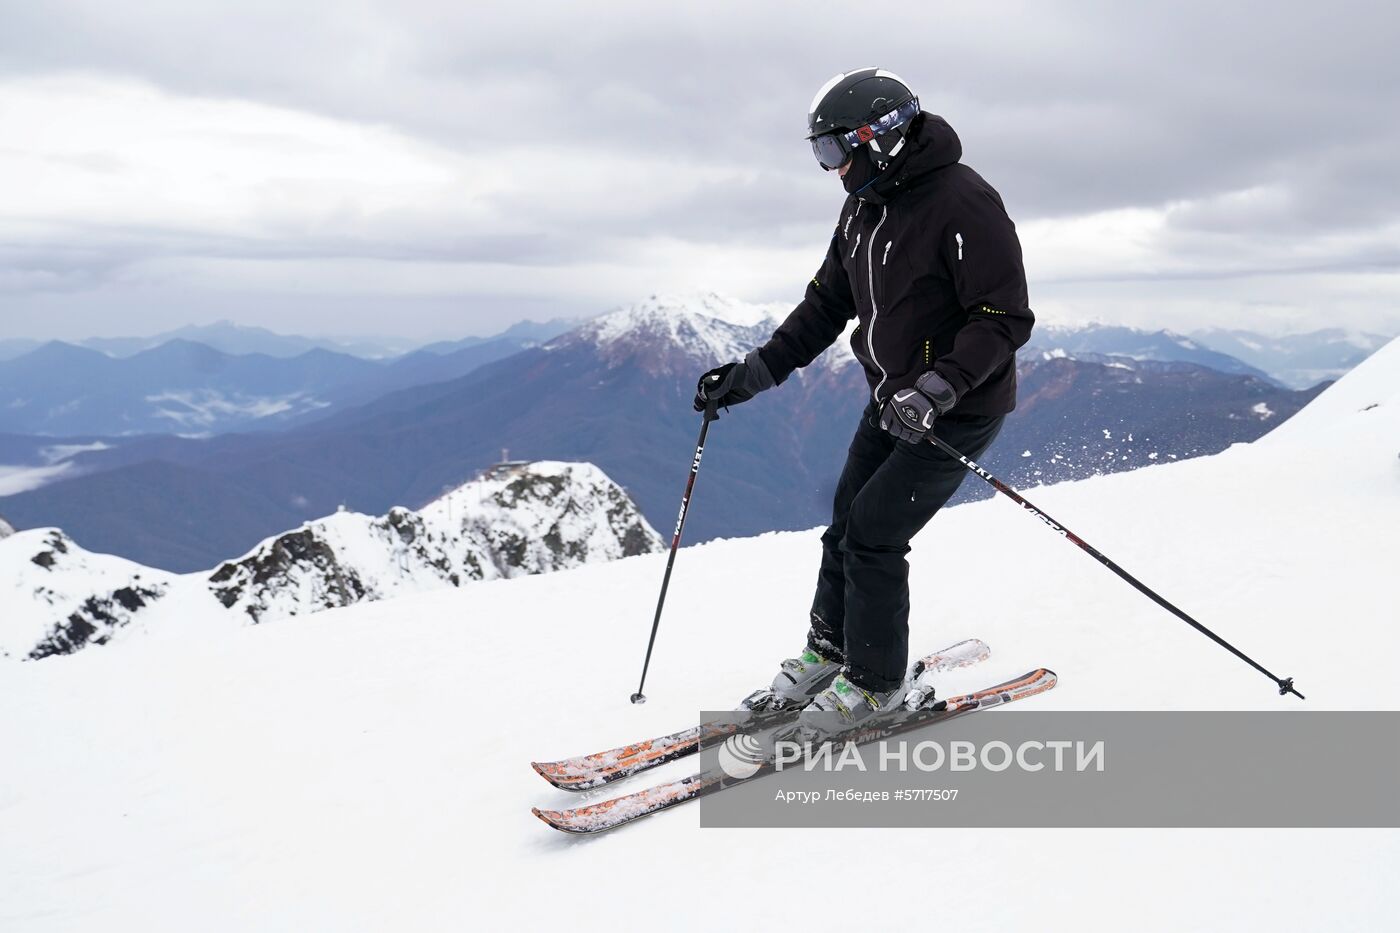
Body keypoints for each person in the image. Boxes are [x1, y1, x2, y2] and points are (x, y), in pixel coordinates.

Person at [694, 68, 1035, 726]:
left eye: (832, 150)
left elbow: (1003, 317)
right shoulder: (864, 207)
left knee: (875, 534)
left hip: (955, 409)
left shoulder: (964, 204)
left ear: (878, 139)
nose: (831, 168)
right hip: (893, 397)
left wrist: (940, 387)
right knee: (847, 523)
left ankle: (877, 687)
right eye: (820, 153)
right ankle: (830, 651)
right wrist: (750, 376)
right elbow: (827, 304)